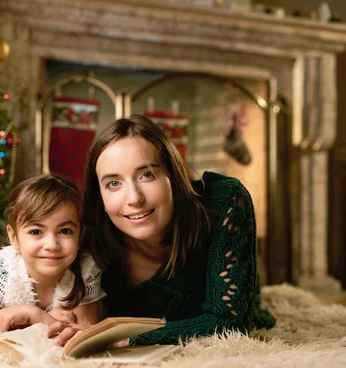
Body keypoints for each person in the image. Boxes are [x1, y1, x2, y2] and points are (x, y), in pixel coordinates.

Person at [48, 114, 275, 347]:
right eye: (114, 184)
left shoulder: (224, 201)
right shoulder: (90, 234)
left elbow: (230, 324)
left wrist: (125, 340)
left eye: (147, 174)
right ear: (101, 197)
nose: (134, 198)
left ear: (173, 175)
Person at [0, 174, 106, 334]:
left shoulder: (85, 270)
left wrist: (35, 315)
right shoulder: (5, 269)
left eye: (65, 231)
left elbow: (83, 336)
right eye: (36, 231)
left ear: (80, 236)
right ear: (14, 237)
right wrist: (45, 319)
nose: (51, 245)